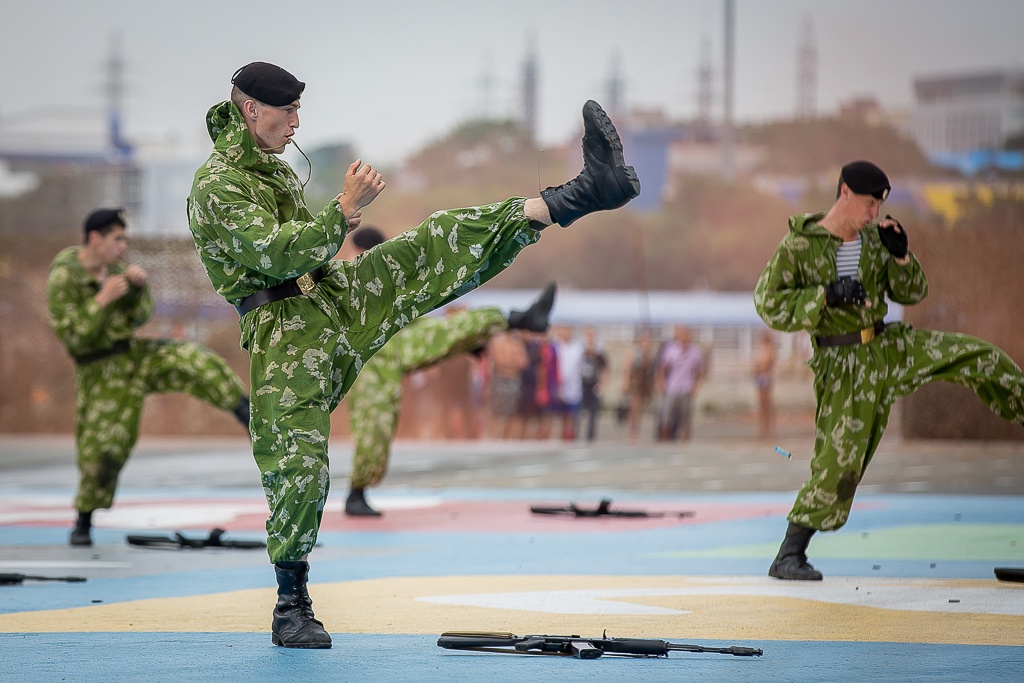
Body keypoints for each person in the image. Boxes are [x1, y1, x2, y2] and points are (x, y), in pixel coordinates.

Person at [186, 61, 640, 648]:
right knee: (299, 466)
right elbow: (276, 256)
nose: (297, 124)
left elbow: (310, 255)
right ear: (252, 110)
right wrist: (344, 209)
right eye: (287, 112)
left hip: (330, 297)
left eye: (299, 111)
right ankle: (291, 605)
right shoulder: (217, 184)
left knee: (432, 242)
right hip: (283, 333)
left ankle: (579, 195)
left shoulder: (269, 168)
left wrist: (341, 226)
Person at [754, 159, 1024, 582]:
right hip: (843, 365)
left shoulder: (876, 241)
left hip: (887, 345)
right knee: (839, 463)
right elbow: (768, 303)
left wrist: (901, 257)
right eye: (867, 204)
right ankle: (789, 555)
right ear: (845, 192)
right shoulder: (799, 246)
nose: (873, 213)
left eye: (879, 206)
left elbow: (914, 291)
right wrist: (825, 295)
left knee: (982, 356)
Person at [46, 208, 250, 548]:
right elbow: (75, 338)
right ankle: (83, 520)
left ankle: (245, 412)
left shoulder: (116, 271)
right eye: (117, 239)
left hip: (132, 354)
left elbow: (140, 316)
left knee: (194, 360)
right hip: (99, 370)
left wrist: (138, 289)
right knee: (104, 449)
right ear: (95, 238)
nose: (123, 247)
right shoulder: (64, 278)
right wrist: (102, 299)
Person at [341, 226, 557, 517]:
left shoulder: (381, 280)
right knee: (376, 422)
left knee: (447, 330)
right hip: (367, 354)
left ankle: (516, 319)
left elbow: (409, 320)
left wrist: (463, 346)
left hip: (388, 347)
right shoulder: (347, 277)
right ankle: (357, 492)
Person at [655, 325, 706, 441]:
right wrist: (661, 382)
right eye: (683, 335)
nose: (686, 338)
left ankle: (685, 443)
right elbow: (662, 367)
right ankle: (665, 441)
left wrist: (696, 385)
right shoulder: (671, 350)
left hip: (687, 388)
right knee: (666, 417)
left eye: (688, 336)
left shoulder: (695, 352)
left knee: (686, 419)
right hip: (672, 387)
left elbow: (701, 370)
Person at [487, 330, 529, 439]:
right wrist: (512, 359)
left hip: (514, 381)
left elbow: (523, 363)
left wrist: (511, 360)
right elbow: (497, 360)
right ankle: (494, 437)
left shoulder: (518, 344)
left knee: (513, 412)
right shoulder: (497, 343)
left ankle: (508, 438)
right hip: (500, 380)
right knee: (496, 412)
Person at [622, 327, 657, 440]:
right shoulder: (634, 353)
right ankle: (632, 431)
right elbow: (627, 368)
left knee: (640, 408)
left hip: (644, 385)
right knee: (634, 407)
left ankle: (636, 430)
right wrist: (626, 382)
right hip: (635, 384)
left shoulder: (650, 355)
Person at [553, 325, 584, 440]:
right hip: (557, 386)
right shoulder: (555, 346)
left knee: (570, 416)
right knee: (556, 417)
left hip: (573, 388)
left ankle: (569, 438)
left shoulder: (578, 348)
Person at [578, 326, 608, 441]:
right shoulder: (581, 352)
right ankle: (576, 436)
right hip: (582, 386)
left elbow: (604, 370)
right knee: (578, 413)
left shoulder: (599, 354)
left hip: (594, 386)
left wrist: (601, 384)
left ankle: (590, 438)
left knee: (593, 414)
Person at [753, 328, 777, 438]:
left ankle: (768, 429)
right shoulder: (762, 348)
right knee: (762, 404)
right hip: (760, 377)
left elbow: (768, 363)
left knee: (766, 404)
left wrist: (762, 369)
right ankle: (763, 429)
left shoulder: (769, 349)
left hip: (765, 377)